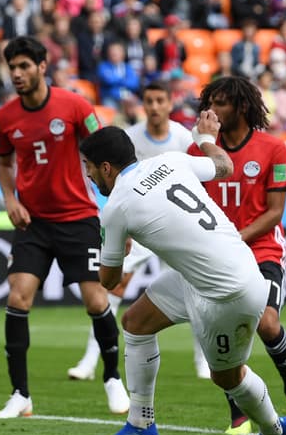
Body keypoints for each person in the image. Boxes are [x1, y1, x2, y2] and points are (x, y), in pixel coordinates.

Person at [81, 122, 286, 435]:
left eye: (90, 169)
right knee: (136, 323)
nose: (90, 177)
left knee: (227, 378)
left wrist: (117, 249)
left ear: (106, 168)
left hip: (229, 294)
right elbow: (225, 167)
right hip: (218, 272)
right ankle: (141, 425)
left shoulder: (116, 208)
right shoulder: (171, 160)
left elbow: (109, 282)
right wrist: (207, 140)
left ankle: (273, 428)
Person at [0, 36, 128, 418]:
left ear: (41, 67)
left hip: (77, 218)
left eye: (23, 66)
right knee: (18, 297)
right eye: (12, 68)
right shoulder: (5, 118)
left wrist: (121, 217)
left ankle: (113, 378)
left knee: (97, 300)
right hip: (32, 222)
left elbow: (105, 153)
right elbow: (4, 165)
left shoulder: (74, 106)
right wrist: (11, 200)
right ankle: (20, 395)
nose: (17, 74)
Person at [187, 76, 286, 435]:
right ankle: (238, 410)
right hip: (215, 257)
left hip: (261, 249)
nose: (211, 111)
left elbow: (275, 212)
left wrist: (235, 239)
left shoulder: (273, 147)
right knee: (223, 330)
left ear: (242, 107)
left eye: (221, 103)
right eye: (208, 103)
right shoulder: (197, 152)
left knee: (266, 323)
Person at [66, 81, 206, 382]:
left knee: (196, 289)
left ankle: (202, 360)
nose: (154, 106)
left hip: (175, 227)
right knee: (112, 289)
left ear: (170, 103)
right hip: (138, 228)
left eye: (160, 100)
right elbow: (113, 186)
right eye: (149, 101)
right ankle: (91, 360)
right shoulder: (128, 138)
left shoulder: (183, 138)